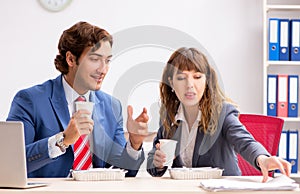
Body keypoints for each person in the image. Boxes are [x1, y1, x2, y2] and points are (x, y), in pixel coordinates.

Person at [7, 21, 149, 178]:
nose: (103, 69)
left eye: (107, 60)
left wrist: (134, 145)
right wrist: (62, 140)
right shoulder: (30, 100)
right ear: (71, 59)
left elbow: (122, 171)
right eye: (95, 59)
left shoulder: (112, 106)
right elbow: (12, 162)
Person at [147, 47, 291, 182]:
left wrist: (262, 158)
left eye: (197, 77)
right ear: (171, 82)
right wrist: (157, 163)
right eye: (181, 78)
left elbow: (245, 141)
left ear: (207, 81)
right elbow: (153, 164)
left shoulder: (222, 112)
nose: (190, 84)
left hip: (220, 190)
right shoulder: (169, 117)